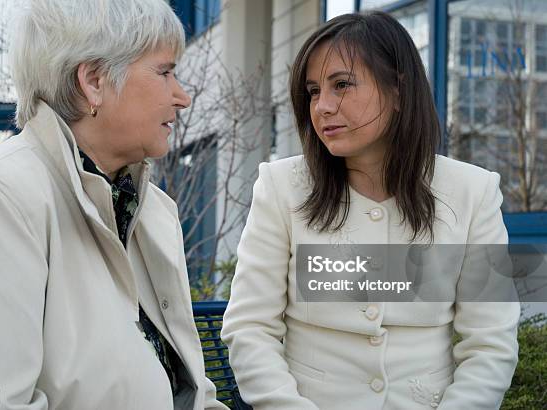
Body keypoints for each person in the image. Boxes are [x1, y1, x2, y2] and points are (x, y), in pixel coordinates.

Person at [0, 0, 227, 409]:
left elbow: (191, 391)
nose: (182, 97)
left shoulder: (153, 210)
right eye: (164, 72)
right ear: (93, 81)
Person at [221, 11, 519, 410]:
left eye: (341, 85)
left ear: (398, 91)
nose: (322, 106)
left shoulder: (473, 192)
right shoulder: (281, 187)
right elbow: (250, 328)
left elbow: (490, 344)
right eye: (312, 91)